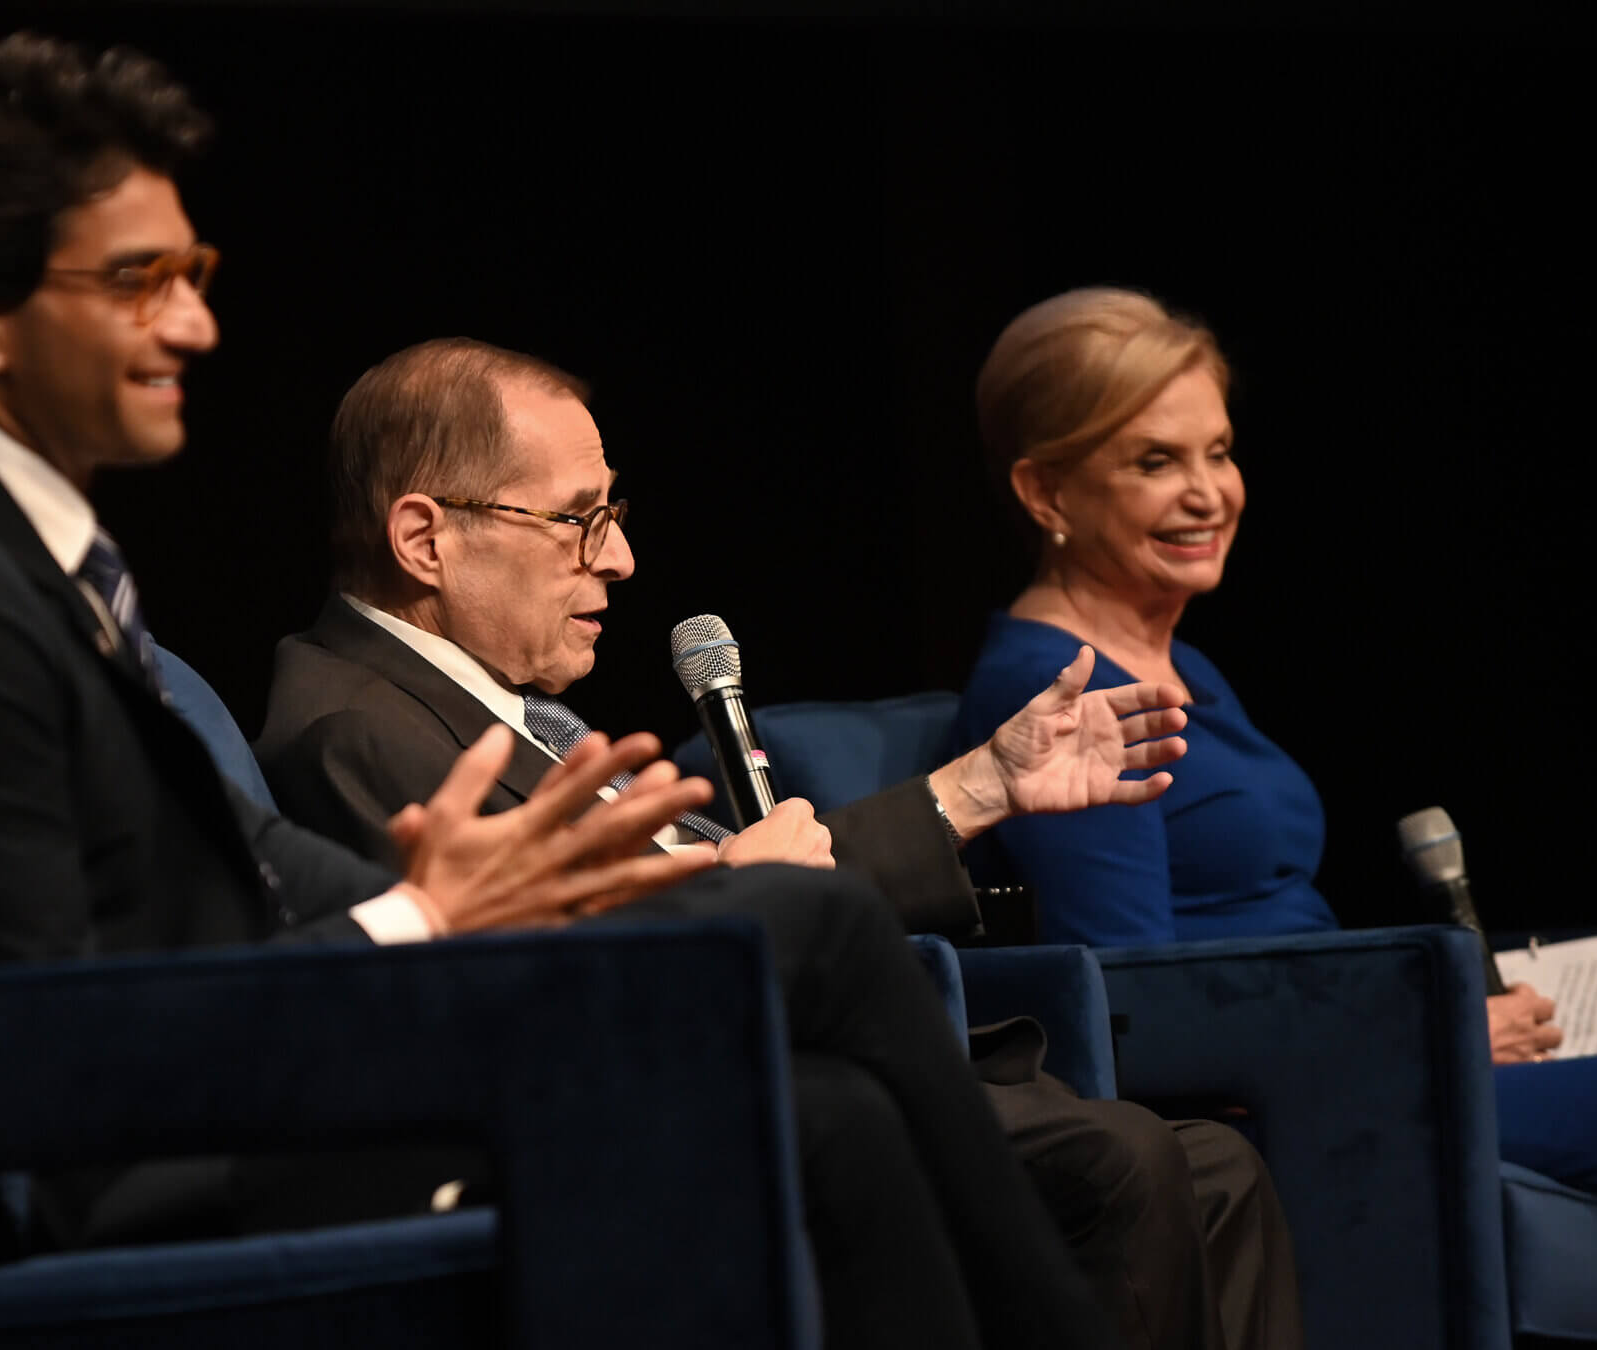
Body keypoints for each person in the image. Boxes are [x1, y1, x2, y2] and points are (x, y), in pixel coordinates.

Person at [0, 33, 1127, 1349]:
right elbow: (43, 1033)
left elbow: (241, 864)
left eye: (191, 268)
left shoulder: (21, 559)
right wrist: (423, 914)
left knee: (831, 1111)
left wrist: (476, 879)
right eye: (135, 280)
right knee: (816, 930)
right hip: (176, 1177)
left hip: (259, 1090)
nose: (194, 320)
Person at [255, 336, 1305, 1350]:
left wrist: (979, 784)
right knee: (1117, 1162)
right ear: (423, 539)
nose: (617, 558)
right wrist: (720, 890)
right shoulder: (357, 727)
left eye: (609, 513)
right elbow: (517, 985)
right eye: (577, 519)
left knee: (1215, 1168)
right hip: (686, 1117)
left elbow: (772, 888)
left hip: (798, 1051)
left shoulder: (484, 704)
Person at [951, 285, 1597, 1195]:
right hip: (1311, 1108)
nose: (1208, 493)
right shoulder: (1057, 693)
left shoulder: (1181, 661)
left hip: (1363, 1062)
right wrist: (1427, 1030)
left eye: (1218, 452)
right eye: (1154, 461)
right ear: (1045, 490)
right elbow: (1136, 1014)